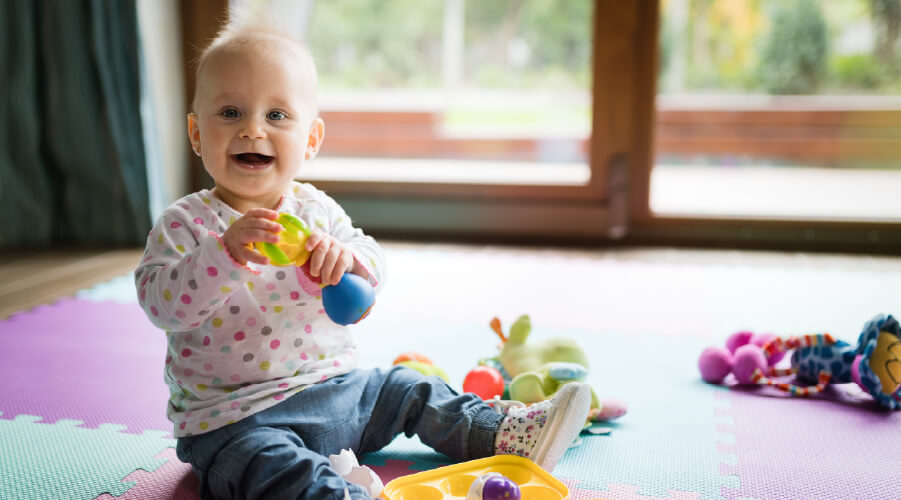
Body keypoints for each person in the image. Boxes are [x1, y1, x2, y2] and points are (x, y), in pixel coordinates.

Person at [134, 20, 591, 500]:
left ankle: (501, 434)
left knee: (408, 386)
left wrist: (348, 259)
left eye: (277, 115)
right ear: (196, 133)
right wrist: (224, 254)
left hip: (340, 393)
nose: (252, 128)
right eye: (230, 112)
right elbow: (162, 305)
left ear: (311, 139)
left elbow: (371, 258)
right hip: (235, 424)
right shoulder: (186, 224)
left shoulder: (315, 209)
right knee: (273, 468)